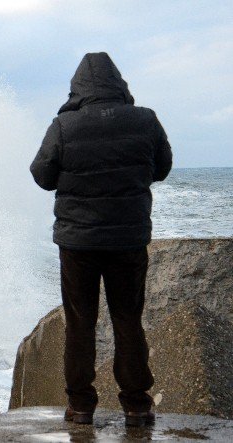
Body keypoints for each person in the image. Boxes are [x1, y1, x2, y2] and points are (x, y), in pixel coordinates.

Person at [29, 52, 172, 427]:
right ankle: (137, 406)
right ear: (119, 83)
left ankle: (80, 407)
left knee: (80, 323)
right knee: (128, 320)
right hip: (128, 240)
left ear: (78, 87)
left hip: (78, 244)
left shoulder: (64, 125)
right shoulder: (145, 120)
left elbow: (42, 175)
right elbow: (162, 167)